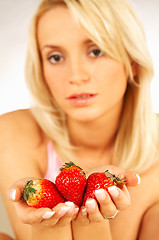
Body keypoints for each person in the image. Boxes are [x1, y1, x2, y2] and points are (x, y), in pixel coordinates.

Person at [0, 0, 159, 239]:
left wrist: (90, 223)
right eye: (55, 57)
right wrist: (46, 227)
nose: (75, 76)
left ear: (132, 62)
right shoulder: (12, 131)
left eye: (96, 51)